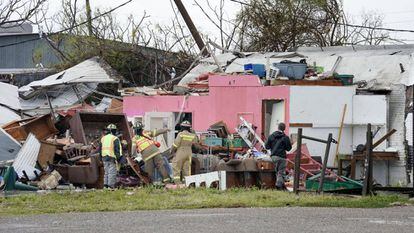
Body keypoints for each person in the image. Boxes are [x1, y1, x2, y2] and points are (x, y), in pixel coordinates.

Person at [265, 122, 292, 190]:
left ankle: (275, 185)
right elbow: (289, 148)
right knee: (280, 172)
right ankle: (278, 185)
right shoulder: (285, 137)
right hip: (282, 157)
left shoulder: (271, 136)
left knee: (275, 171)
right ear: (284, 129)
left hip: (273, 157)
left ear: (278, 128)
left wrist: (272, 146)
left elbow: (267, 147)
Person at [100, 124, 122, 189]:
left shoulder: (103, 138)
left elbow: (100, 149)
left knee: (106, 172)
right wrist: (118, 159)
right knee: (112, 172)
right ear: (114, 131)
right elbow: (117, 150)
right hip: (112, 157)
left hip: (104, 157)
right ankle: (111, 186)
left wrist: (100, 158)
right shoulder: (115, 138)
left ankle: (105, 186)